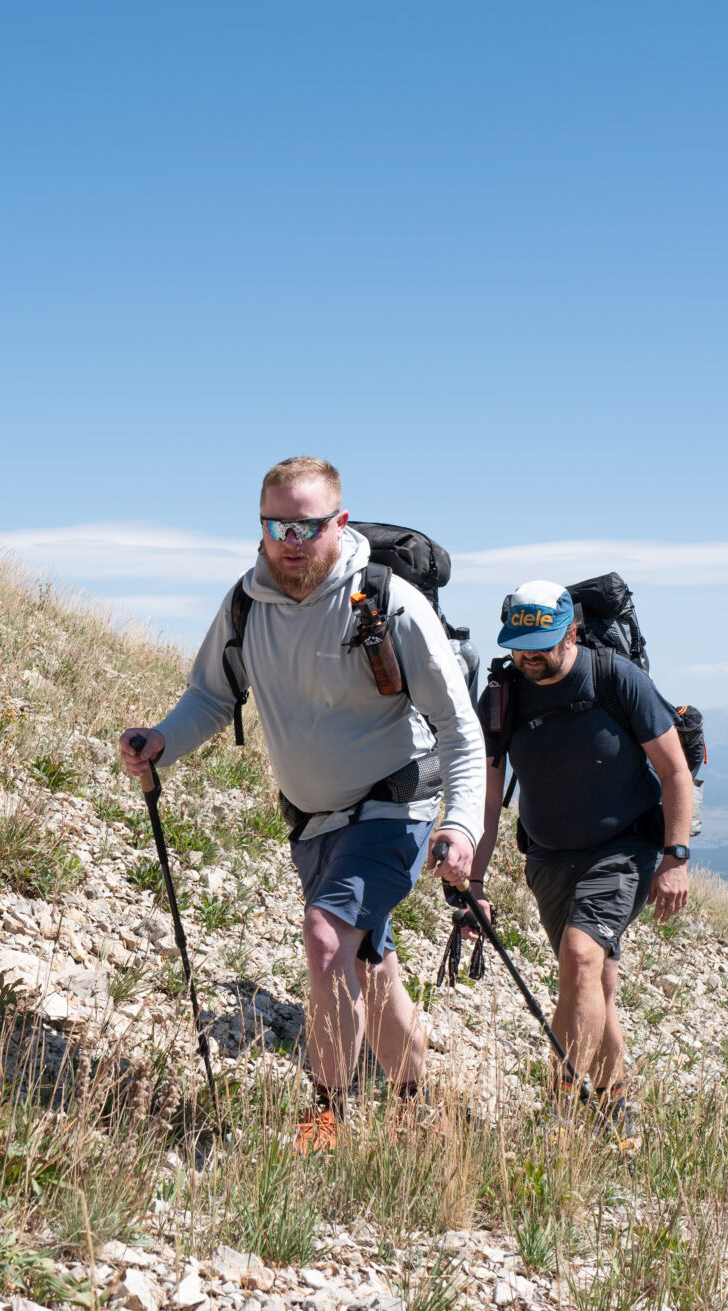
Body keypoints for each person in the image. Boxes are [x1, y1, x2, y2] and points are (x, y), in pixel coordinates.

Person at [119, 458, 483, 1151]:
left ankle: (328, 1114)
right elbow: (212, 695)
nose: (290, 539)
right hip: (311, 824)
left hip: (392, 809)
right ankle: (414, 1102)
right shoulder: (246, 604)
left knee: (325, 938)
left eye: (306, 526)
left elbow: (459, 727)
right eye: (276, 525)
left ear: (338, 523)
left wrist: (461, 824)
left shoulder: (388, 601)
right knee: (371, 961)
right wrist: (163, 738)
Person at [464, 582, 695, 1137]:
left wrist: (675, 857)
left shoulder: (616, 678)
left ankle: (563, 1103)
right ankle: (617, 1106)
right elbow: (489, 799)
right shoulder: (504, 696)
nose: (529, 655)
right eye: (520, 644)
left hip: (624, 847)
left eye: (542, 643)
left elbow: (675, 772)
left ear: (571, 632)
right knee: (594, 982)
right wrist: (475, 881)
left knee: (579, 956)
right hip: (548, 857)